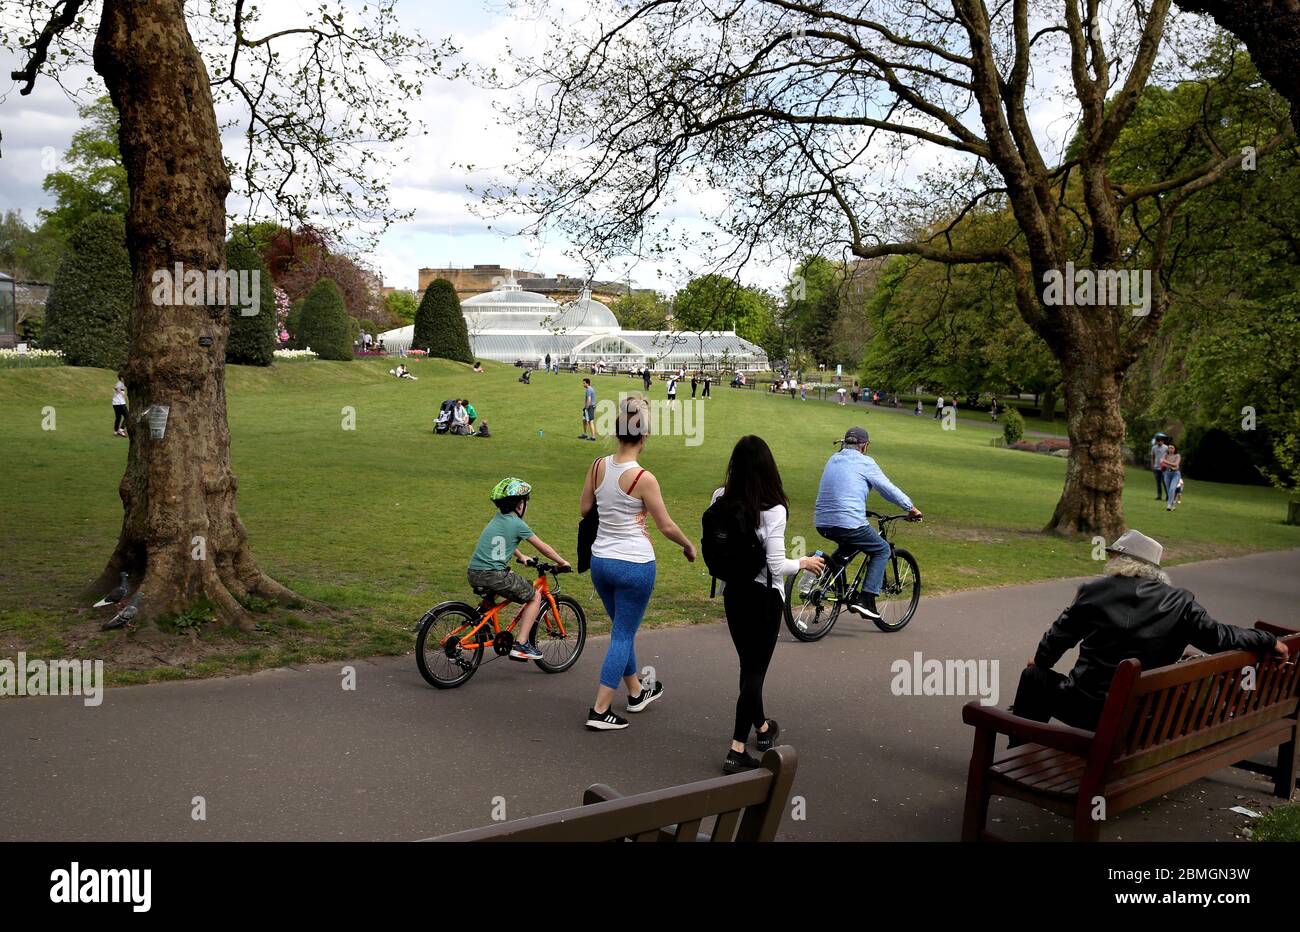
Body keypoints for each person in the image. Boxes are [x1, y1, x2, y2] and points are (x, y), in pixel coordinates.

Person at [1011, 530, 1288, 733]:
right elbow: (1221, 639)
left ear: (1122, 560)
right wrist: (1268, 639)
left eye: (1113, 556)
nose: (1108, 562)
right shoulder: (1181, 601)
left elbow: (1057, 639)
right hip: (1146, 716)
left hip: (1089, 710)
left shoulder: (1094, 593)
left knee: (1034, 676)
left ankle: (1020, 750)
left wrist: (1041, 662)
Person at [580, 397, 696, 730]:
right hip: (634, 565)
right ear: (644, 437)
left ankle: (635, 692)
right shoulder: (643, 478)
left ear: (617, 434)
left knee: (622, 631)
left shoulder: (597, 466)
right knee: (621, 636)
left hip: (601, 561)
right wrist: (688, 545)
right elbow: (666, 526)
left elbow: (585, 508)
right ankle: (601, 710)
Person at [711, 436, 824, 774]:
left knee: (749, 667)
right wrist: (802, 563)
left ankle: (761, 728)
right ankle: (736, 748)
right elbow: (776, 566)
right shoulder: (773, 509)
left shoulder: (720, 497)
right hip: (762, 598)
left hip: (734, 594)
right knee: (755, 673)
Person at [814, 427, 922, 620]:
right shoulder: (866, 462)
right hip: (848, 522)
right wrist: (910, 508)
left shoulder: (832, 459)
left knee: (847, 547)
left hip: (822, 522)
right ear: (864, 446)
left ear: (844, 443)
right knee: (881, 550)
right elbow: (887, 489)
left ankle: (820, 582)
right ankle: (865, 599)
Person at [468, 478, 571, 662]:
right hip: (494, 574)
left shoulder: (497, 519)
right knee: (534, 597)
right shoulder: (517, 524)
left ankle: (480, 618)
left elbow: (503, 540)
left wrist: (520, 556)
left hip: (475, 572)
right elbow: (543, 547)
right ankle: (521, 644)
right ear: (519, 504)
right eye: (525, 501)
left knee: (504, 584)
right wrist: (562, 562)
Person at [1160, 442, 1183, 512]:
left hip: (1176, 474)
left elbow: (1176, 464)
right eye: (1169, 447)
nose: (1170, 449)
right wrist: (1171, 465)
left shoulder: (1177, 455)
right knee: (1168, 491)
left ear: (1175, 449)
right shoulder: (1165, 455)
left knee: (1172, 489)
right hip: (1167, 474)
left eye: (1172, 448)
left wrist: (1165, 462)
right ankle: (1173, 504)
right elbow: (1161, 463)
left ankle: (1169, 505)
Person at [1150, 433, 1169, 501]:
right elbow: (1152, 457)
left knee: (1165, 482)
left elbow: (1169, 456)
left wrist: (1167, 464)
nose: (1159, 442)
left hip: (1164, 467)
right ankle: (1159, 495)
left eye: (1160, 441)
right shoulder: (1154, 448)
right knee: (1158, 483)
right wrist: (1152, 465)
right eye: (1157, 441)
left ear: (1162, 441)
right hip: (1156, 467)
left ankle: (1168, 496)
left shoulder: (1166, 447)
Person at [112, 372, 128, 437]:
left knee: (118, 417)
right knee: (127, 416)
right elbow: (116, 388)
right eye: (124, 377)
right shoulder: (120, 383)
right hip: (120, 403)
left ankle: (116, 431)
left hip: (115, 403)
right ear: (121, 378)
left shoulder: (121, 383)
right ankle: (121, 429)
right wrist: (120, 393)